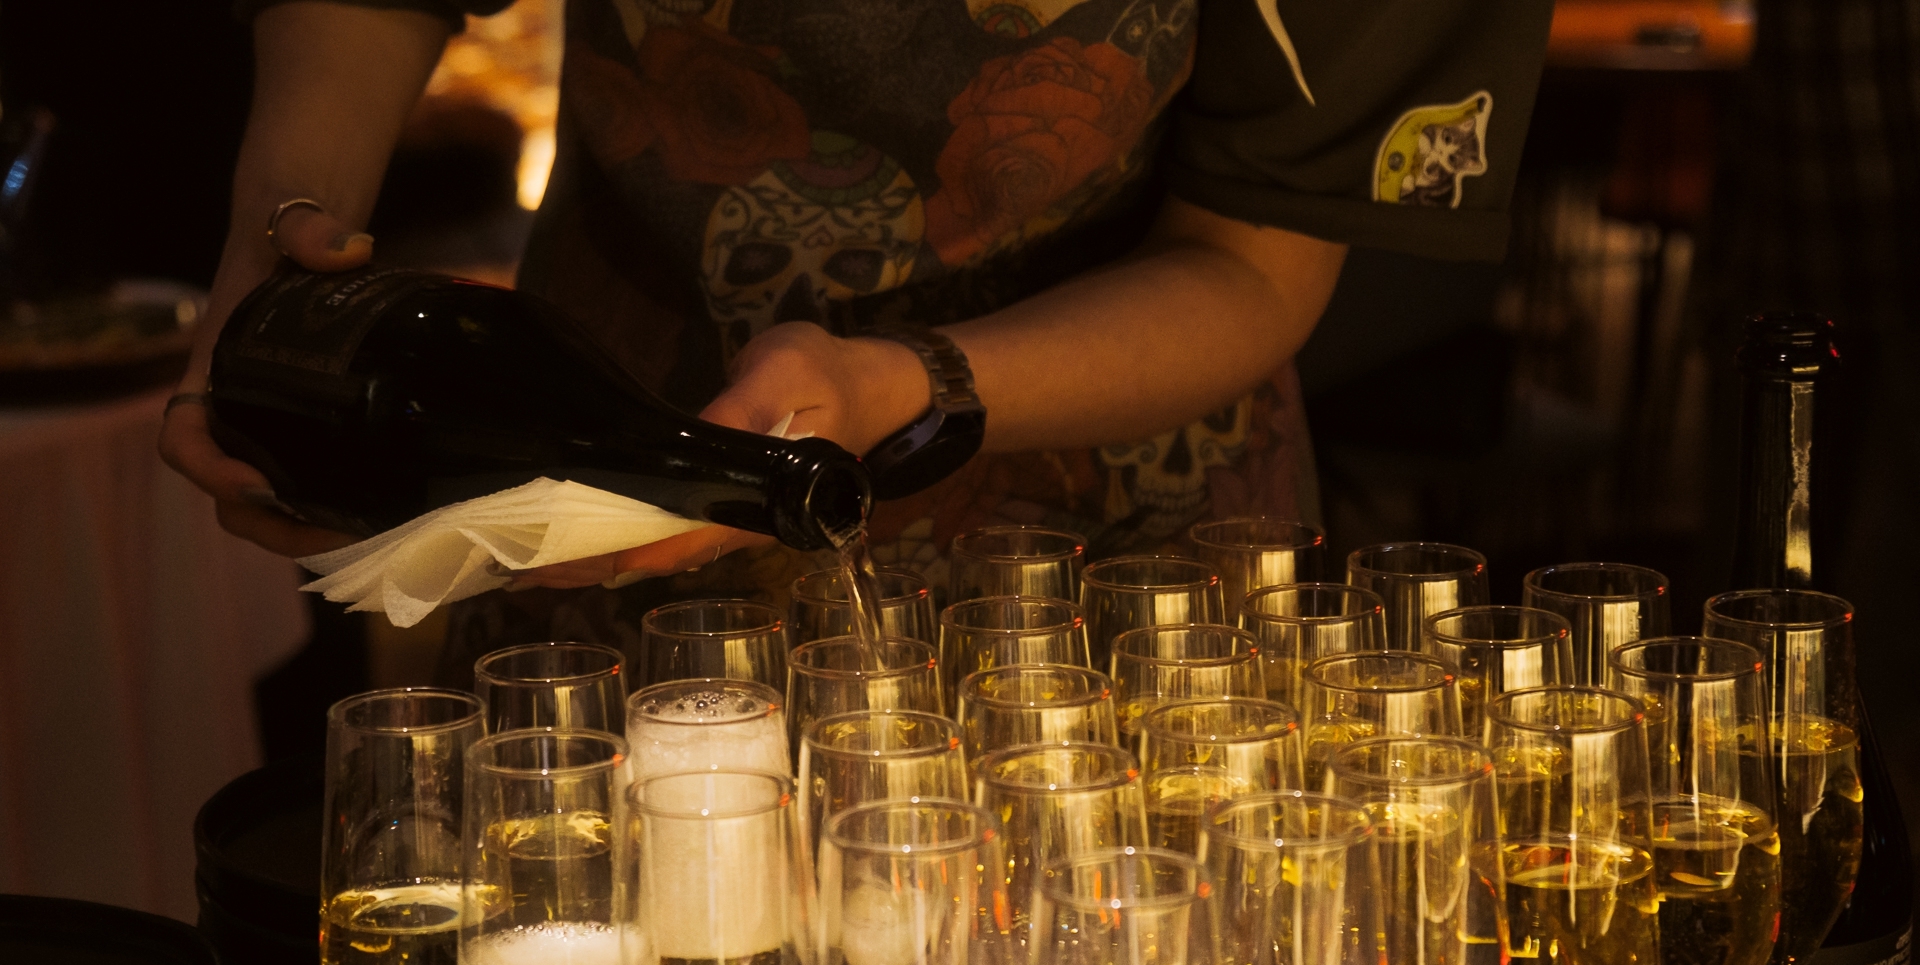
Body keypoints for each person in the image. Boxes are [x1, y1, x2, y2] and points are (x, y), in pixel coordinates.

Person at [161, 0, 1554, 662]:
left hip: (1114, 600)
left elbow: (1251, 264)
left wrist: (908, 381)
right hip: (604, 507)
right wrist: (282, 233)